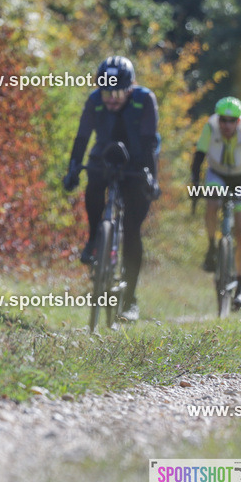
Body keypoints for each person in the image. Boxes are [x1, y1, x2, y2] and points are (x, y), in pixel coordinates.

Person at [62, 56, 160, 322]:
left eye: (117, 93)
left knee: (132, 229)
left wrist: (151, 178)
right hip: (104, 156)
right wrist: (73, 168)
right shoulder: (94, 101)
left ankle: (130, 299)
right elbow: (82, 137)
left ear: (130, 87)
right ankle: (95, 237)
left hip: (138, 162)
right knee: (93, 184)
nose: (111, 99)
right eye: (106, 92)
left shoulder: (144, 100)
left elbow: (150, 142)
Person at [191, 97, 241, 311]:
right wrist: (195, 183)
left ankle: (240, 289)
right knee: (212, 203)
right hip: (217, 174)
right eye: (223, 120)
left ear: (238, 120)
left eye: (231, 120)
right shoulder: (210, 127)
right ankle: (211, 247)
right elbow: (198, 157)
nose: (226, 125)